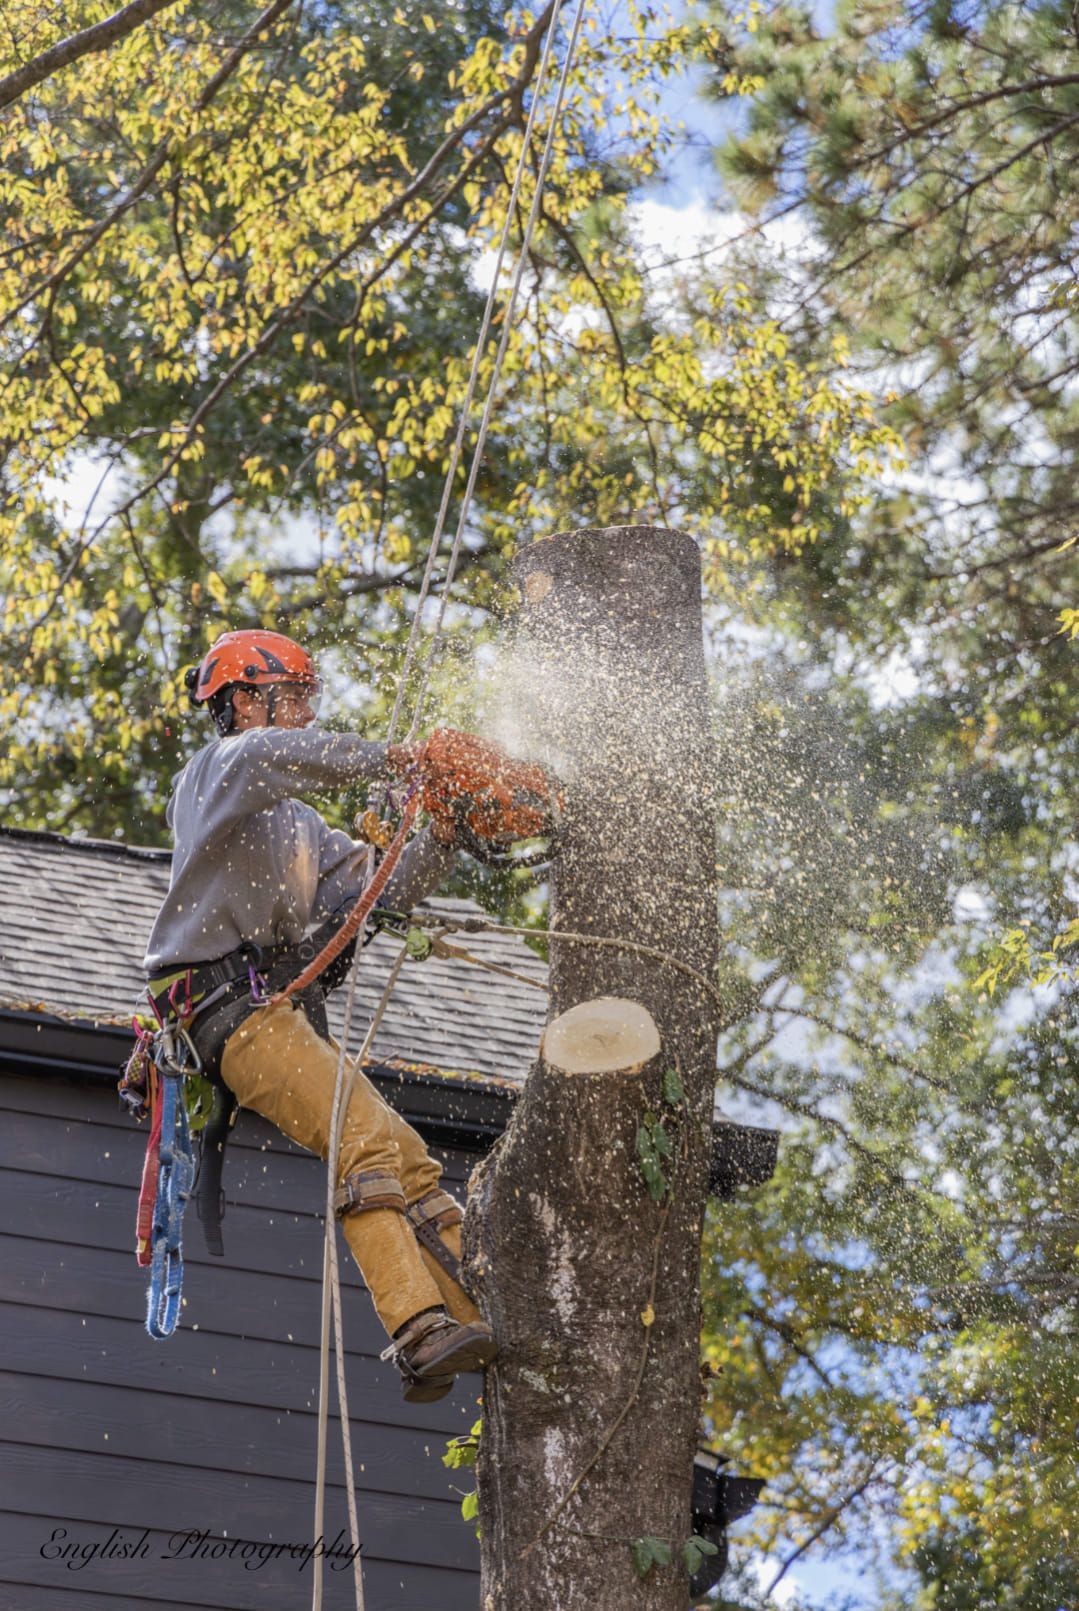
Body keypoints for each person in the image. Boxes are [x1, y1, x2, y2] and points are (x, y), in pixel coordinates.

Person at [142, 627, 497, 1402]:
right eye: (289, 696)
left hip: (270, 1012)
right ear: (240, 701)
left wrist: (444, 820)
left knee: (406, 1154)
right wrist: (406, 758)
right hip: (223, 1006)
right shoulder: (219, 771)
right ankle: (417, 1328)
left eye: (307, 697)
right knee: (363, 1138)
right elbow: (280, 758)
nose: (302, 712)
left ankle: (479, 1310)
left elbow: (379, 889)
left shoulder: (301, 828)